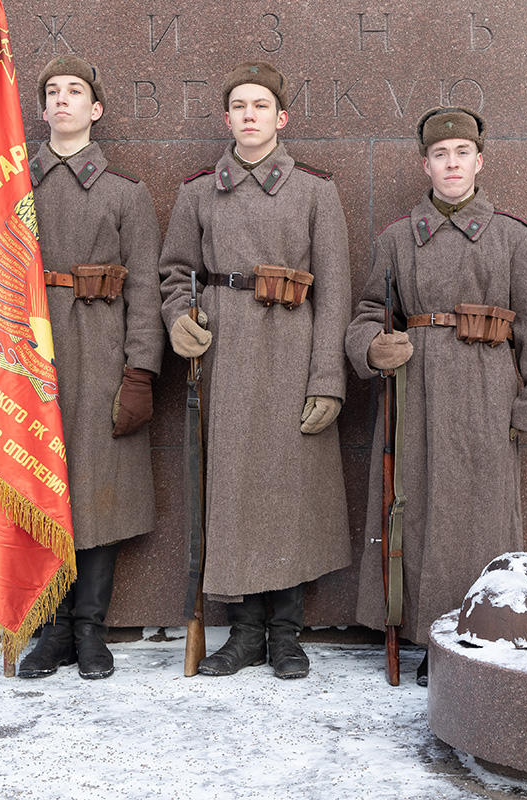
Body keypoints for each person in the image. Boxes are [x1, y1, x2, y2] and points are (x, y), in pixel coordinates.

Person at [344, 107, 527, 685]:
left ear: (479, 161)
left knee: (482, 514)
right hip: (412, 396)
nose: (451, 164)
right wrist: (372, 346)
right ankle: (424, 638)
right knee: (412, 513)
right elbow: (369, 311)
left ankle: (484, 632)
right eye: (440, 155)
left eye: (462, 153)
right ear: (425, 164)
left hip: (485, 394)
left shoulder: (514, 237)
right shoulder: (396, 239)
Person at [159, 62, 352, 680]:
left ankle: (287, 633)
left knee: (290, 488)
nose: (249, 115)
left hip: (293, 352)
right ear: (226, 119)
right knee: (234, 488)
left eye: (261, 106)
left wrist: (328, 378)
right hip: (225, 355)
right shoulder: (197, 192)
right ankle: (243, 633)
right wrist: (177, 320)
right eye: (238, 106)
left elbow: (338, 296)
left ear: (282, 117)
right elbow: (173, 272)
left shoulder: (316, 191)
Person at [15, 56, 165, 680]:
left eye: (76, 91)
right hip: (33, 354)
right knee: (43, 486)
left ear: (96, 109)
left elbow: (146, 294)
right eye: (52, 92)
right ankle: (50, 629)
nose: (62, 101)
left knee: (98, 493)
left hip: (102, 355)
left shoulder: (126, 193)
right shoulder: (15, 185)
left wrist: (139, 373)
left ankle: (89, 628)